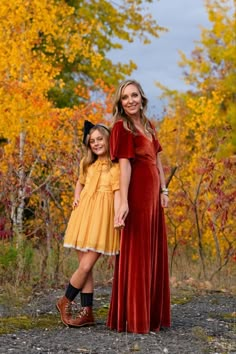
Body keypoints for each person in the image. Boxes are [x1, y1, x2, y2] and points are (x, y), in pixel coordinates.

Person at [106, 79, 171, 334]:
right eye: (125, 97)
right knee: (138, 253)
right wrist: (122, 201)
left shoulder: (148, 125)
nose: (130, 100)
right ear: (120, 103)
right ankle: (135, 316)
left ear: (142, 98)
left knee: (152, 252)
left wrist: (164, 190)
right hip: (137, 194)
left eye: (134, 95)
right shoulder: (121, 128)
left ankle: (151, 312)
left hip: (154, 196)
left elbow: (157, 160)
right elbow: (124, 166)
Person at [56, 120, 121, 328]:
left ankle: (65, 300)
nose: (96, 143)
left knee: (86, 264)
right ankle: (87, 312)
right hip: (83, 215)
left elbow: (118, 192)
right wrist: (76, 197)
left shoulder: (117, 166)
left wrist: (119, 215)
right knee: (87, 267)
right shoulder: (87, 163)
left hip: (102, 220)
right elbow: (80, 181)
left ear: (108, 139)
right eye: (92, 141)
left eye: (100, 139)